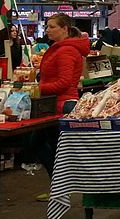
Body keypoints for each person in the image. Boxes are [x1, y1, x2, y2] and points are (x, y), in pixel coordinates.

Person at [27, 13, 90, 200]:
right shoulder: (58, 48)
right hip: (53, 104)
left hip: (61, 105)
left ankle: (60, 189)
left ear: (65, 29)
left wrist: (38, 88)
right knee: (45, 147)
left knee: (41, 146)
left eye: (52, 26)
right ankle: (60, 188)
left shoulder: (66, 51)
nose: (48, 30)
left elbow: (63, 82)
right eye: (47, 27)